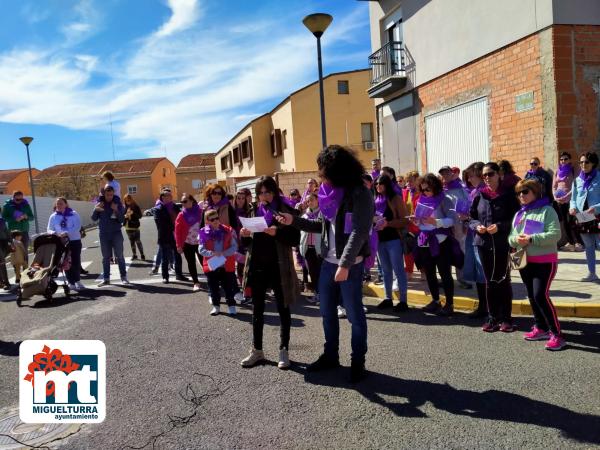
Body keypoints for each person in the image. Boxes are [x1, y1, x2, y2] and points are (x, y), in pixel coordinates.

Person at [278, 145, 374, 382]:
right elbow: (321, 227)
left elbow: (360, 231)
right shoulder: (328, 194)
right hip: (327, 264)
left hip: (348, 265)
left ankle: (357, 361)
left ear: (339, 170)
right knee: (327, 314)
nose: (321, 175)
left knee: (354, 316)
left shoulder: (360, 194)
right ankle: (331, 355)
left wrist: (345, 264)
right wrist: (294, 221)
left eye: (324, 170)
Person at [239, 176, 300, 370]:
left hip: (279, 265)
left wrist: (278, 232)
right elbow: (247, 244)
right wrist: (244, 236)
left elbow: (295, 238)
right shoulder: (253, 210)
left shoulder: (284, 209)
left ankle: (284, 349)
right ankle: (257, 350)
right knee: (257, 308)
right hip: (257, 264)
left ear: (274, 191)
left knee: (283, 308)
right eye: (260, 192)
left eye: (267, 191)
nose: (264, 196)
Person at [509, 179, 565, 351]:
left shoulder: (547, 210)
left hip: (545, 261)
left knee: (541, 295)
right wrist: (516, 239)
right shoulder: (519, 214)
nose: (521, 196)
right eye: (519, 193)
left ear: (534, 191)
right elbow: (510, 237)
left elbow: (555, 235)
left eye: (525, 192)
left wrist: (532, 239)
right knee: (532, 296)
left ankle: (557, 334)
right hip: (524, 260)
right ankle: (540, 327)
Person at [469, 162, 520, 332]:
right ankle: (493, 317)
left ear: (499, 175)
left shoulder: (508, 196)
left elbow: (515, 220)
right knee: (489, 282)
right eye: (484, 175)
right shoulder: (479, 195)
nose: (487, 178)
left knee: (503, 281)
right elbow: (472, 217)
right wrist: (476, 226)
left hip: (502, 244)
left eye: (490, 174)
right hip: (483, 244)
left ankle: (506, 318)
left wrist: (500, 226)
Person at [411, 173, 458, 317]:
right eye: (423, 189)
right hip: (425, 240)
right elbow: (420, 220)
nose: (425, 192)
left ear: (435, 187)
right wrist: (416, 221)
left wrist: (436, 222)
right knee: (430, 273)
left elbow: (452, 220)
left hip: (441, 241)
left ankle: (449, 304)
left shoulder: (445, 199)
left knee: (445, 274)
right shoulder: (421, 199)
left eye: (427, 189)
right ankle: (435, 300)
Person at [373, 174, 409, 311]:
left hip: (394, 239)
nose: (378, 186)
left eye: (381, 184)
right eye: (376, 184)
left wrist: (388, 224)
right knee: (386, 271)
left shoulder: (396, 199)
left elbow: (405, 220)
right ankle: (388, 298)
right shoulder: (375, 200)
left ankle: (403, 301)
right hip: (380, 240)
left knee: (398, 270)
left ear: (387, 185)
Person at [199, 209, 239, 316]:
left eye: (217, 218)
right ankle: (216, 306)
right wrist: (212, 253)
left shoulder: (227, 230)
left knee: (228, 287)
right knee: (213, 288)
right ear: (207, 221)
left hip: (226, 265)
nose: (216, 221)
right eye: (212, 219)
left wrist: (224, 253)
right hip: (212, 265)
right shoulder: (203, 232)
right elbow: (201, 250)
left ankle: (231, 306)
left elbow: (234, 246)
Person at [461, 162, 488, 318]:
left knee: (482, 271)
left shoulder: (483, 192)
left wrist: (468, 219)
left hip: (482, 235)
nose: (469, 179)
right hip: (474, 233)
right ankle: (483, 306)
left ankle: (487, 307)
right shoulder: (473, 192)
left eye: (471, 176)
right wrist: (465, 219)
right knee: (478, 271)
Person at [570, 151, 600, 281]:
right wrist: (572, 207)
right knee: (588, 246)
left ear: (593, 163)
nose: (583, 164)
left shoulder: (599, 177)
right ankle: (591, 273)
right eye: (581, 162)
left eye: (586, 162)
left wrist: (597, 207)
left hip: (597, 215)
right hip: (583, 217)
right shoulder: (577, 181)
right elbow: (573, 198)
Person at [439, 165, 471, 289]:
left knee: (460, 252)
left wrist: (466, 224)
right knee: (444, 252)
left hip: (458, 227)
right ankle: (445, 278)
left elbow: (467, 208)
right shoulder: (440, 190)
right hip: (443, 226)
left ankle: (462, 279)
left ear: (452, 174)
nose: (445, 176)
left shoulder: (461, 189)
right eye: (443, 174)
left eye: (447, 173)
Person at [91, 186, 130, 286]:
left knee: (120, 256)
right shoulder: (100, 203)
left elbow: (122, 220)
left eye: (111, 195)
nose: (110, 197)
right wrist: (96, 209)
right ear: (104, 194)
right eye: (108, 195)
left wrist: (116, 210)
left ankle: (124, 277)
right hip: (104, 234)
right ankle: (106, 278)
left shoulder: (117, 203)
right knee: (106, 257)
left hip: (116, 233)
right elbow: (93, 218)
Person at [48, 197, 84, 291]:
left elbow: (77, 226)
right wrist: (54, 233)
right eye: (57, 204)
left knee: (76, 261)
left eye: (61, 203)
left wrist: (67, 233)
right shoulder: (53, 216)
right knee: (66, 262)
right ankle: (71, 282)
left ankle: (78, 281)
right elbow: (49, 229)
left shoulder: (73, 214)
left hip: (74, 240)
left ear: (66, 204)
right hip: (61, 242)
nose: (59, 205)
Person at [154, 189, 187, 283]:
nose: (170, 197)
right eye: (168, 195)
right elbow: (159, 223)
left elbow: (181, 218)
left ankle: (179, 275)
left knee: (178, 256)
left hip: (176, 235)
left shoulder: (175, 207)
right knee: (165, 257)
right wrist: (173, 226)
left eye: (171, 195)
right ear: (162, 197)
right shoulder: (158, 208)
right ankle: (165, 277)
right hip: (165, 235)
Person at [553, 152, 580, 252]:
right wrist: (556, 197)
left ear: (569, 160)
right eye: (561, 159)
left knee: (572, 221)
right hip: (560, 201)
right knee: (564, 222)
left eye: (565, 159)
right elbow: (554, 186)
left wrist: (566, 196)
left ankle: (578, 242)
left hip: (571, 200)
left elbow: (576, 186)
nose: (563, 161)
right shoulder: (557, 171)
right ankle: (570, 243)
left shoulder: (573, 170)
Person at [175, 194, 203, 291]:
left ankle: (213, 279)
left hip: (201, 242)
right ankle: (196, 282)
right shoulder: (181, 215)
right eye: (182, 202)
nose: (183, 204)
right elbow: (177, 232)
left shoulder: (200, 212)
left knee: (205, 262)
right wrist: (179, 245)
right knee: (191, 263)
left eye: (185, 201)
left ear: (192, 201)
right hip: (188, 243)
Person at [299, 193, 323, 304]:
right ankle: (317, 295)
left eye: (312, 200)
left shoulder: (323, 214)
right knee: (313, 273)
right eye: (308, 201)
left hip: (320, 250)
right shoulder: (304, 216)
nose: (310, 202)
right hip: (308, 249)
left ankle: (324, 295)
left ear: (318, 200)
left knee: (322, 274)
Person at [2, 191, 34, 262]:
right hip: (14, 232)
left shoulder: (26, 205)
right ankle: (17, 271)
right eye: (17, 200)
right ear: (13, 198)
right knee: (15, 251)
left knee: (24, 250)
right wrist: (14, 219)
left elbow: (32, 217)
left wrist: (26, 217)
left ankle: (25, 269)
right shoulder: (7, 206)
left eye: (21, 199)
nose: (19, 201)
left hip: (24, 231)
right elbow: (3, 218)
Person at [402, 171, 421, 280]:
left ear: (417, 180)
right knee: (407, 251)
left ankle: (423, 271)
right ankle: (409, 271)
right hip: (408, 226)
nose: (408, 183)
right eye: (407, 181)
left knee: (421, 251)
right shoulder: (405, 192)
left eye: (410, 181)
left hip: (420, 227)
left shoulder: (423, 192)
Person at [123, 194, 145, 261]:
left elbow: (140, 216)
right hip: (127, 227)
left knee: (138, 241)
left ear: (131, 199)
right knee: (131, 242)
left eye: (129, 200)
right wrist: (125, 216)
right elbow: (123, 216)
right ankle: (134, 255)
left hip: (135, 226)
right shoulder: (125, 207)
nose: (128, 202)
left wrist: (133, 213)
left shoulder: (135, 206)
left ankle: (142, 255)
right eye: (126, 201)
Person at [0, 210, 10, 291]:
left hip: (3, 243)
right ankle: (3, 282)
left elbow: (7, 232)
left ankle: (5, 282)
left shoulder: (2, 221)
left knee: (1, 263)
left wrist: (12, 242)